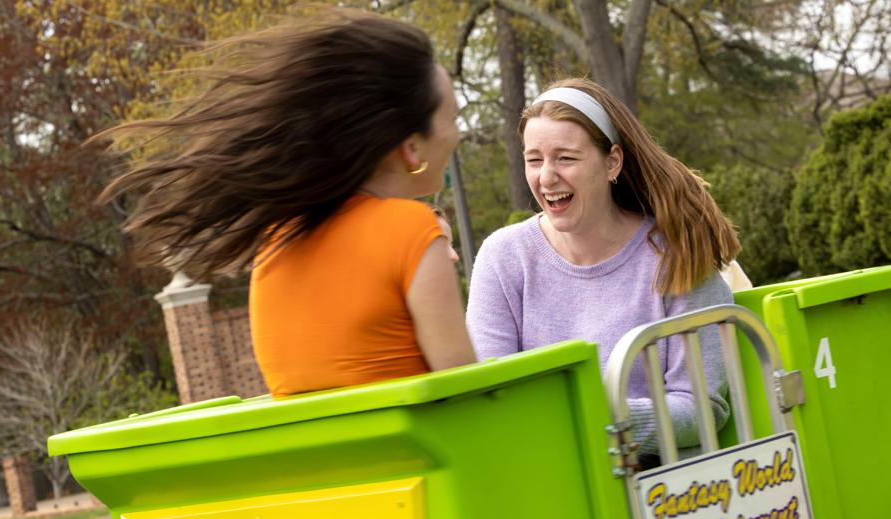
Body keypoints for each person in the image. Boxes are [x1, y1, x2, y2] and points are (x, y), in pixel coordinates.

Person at [94, 11, 475, 397]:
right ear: (412, 148)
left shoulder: (276, 243)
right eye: (454, 118)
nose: (458, 134)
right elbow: (467, 398)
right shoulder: (410, 228)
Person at [465, 79, 741, 460]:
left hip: (657, 484)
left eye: (566, 158)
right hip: (547, 474)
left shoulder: (676, 256)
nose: (546, 177)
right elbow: (487, 395)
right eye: (534, 159)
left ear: (612, 162)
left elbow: (701, 406)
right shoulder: (502, 257)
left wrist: (602, 420)